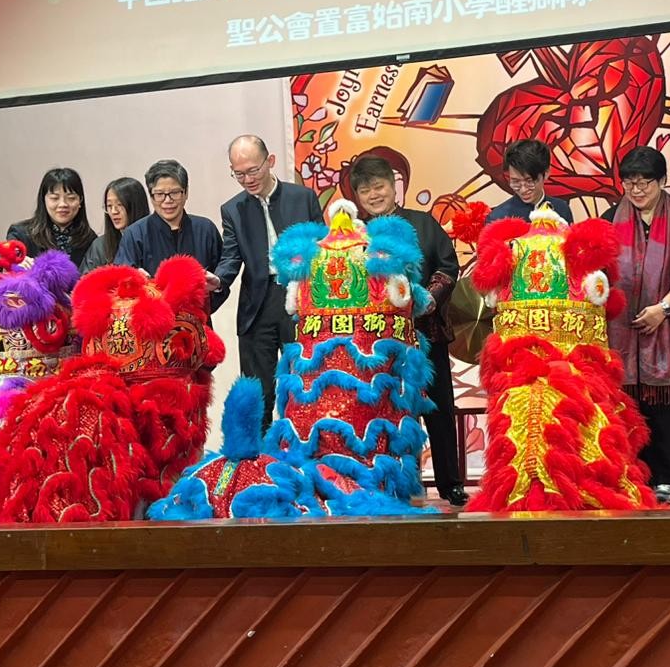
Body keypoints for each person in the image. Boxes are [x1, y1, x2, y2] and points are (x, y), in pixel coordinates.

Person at [349, 154, 467, 506]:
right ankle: (399, 484)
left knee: (439, 410)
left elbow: (448, 267)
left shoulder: (422, 223)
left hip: (426, 336)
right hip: (377, 343)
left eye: (379, 186)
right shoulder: (356, 237)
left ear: (394, 186)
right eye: (365, 190)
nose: (374, 195)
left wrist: (427, 299)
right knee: (387, 412)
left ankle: (450, 483)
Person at [603, 146, 670, 504]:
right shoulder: (609, 219)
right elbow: (596, 272)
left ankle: (666, 479)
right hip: (621, 334)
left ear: (662, 181)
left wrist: (663, 309)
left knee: (668, 410)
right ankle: (632, 475)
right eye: (629, 183)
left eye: (644, 182)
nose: (636, 190)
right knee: (626, 409)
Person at [215, 136, 324, 420]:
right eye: (239, 174)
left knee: (304, 385)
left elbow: (323, 248)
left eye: (253, 170)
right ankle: (259, 448)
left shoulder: (302, 198)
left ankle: (301, 444)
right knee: (258, 393)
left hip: (300, 301)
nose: (248, 179)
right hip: (258, 306)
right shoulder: (233, 209)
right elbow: (231, 257)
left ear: (270, 161)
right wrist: (218, 280)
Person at [114, 159, 223, 280]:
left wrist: (217, 284)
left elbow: (220, 277)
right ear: (151, 196)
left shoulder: (206, 229)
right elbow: (121, 279)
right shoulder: (134, 234)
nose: (168, 200)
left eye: (175, 193)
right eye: (160, 194)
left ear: (186, 192)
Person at [5, 167, 96, 270]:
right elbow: (1, 261)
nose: (63, 204)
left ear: (80, 201)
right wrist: (15, 261)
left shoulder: (91, 240)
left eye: (71, 198)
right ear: (43, 200)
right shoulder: (21, 234)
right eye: (54, 198)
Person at [485, 139, 574, 224]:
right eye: (516, 182)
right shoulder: (498, 218)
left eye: (529, 181)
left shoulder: (562, 209)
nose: (523, 190)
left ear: (546, 173)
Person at [82, 177, 150, 272]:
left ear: (136, 206)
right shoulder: (100, 246)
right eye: (109, 206)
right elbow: (86, 279)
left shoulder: (155, 240)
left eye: (120, 205)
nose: (114, 211)